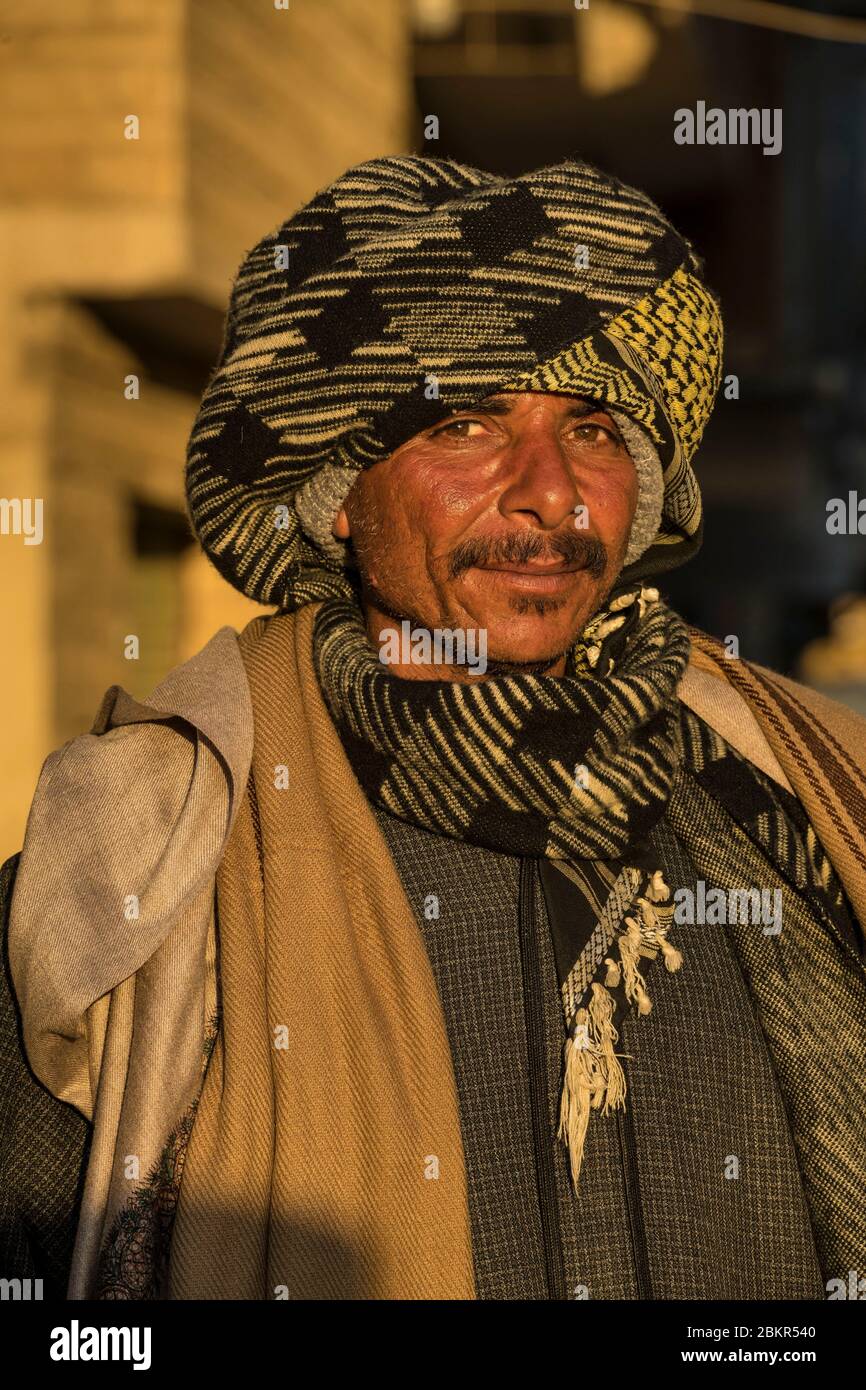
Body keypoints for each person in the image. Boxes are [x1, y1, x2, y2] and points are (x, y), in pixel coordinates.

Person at [3, 155, 864, 1302]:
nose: (549, 494)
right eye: (465, 424)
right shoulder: (145, 861)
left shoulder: (805, 793)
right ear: (340, 495)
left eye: (596, 430)